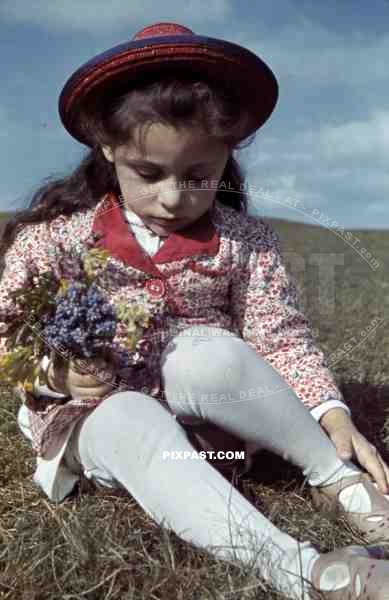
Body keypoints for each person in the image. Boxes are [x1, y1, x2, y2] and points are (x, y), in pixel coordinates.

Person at [2, 21, 389, 599]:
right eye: (149, 174)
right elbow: (8, 342)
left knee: (205, 350)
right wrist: (57, 374)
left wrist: (330, 413)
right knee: (128, 413)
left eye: (198, 177)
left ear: (226, 157)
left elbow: (279, 336)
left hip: (225, 445)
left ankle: (343, 482)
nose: (173, 198)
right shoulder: (54, 241)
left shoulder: (245, 240)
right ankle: (308, 573)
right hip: (114, 437)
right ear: (108, 149)